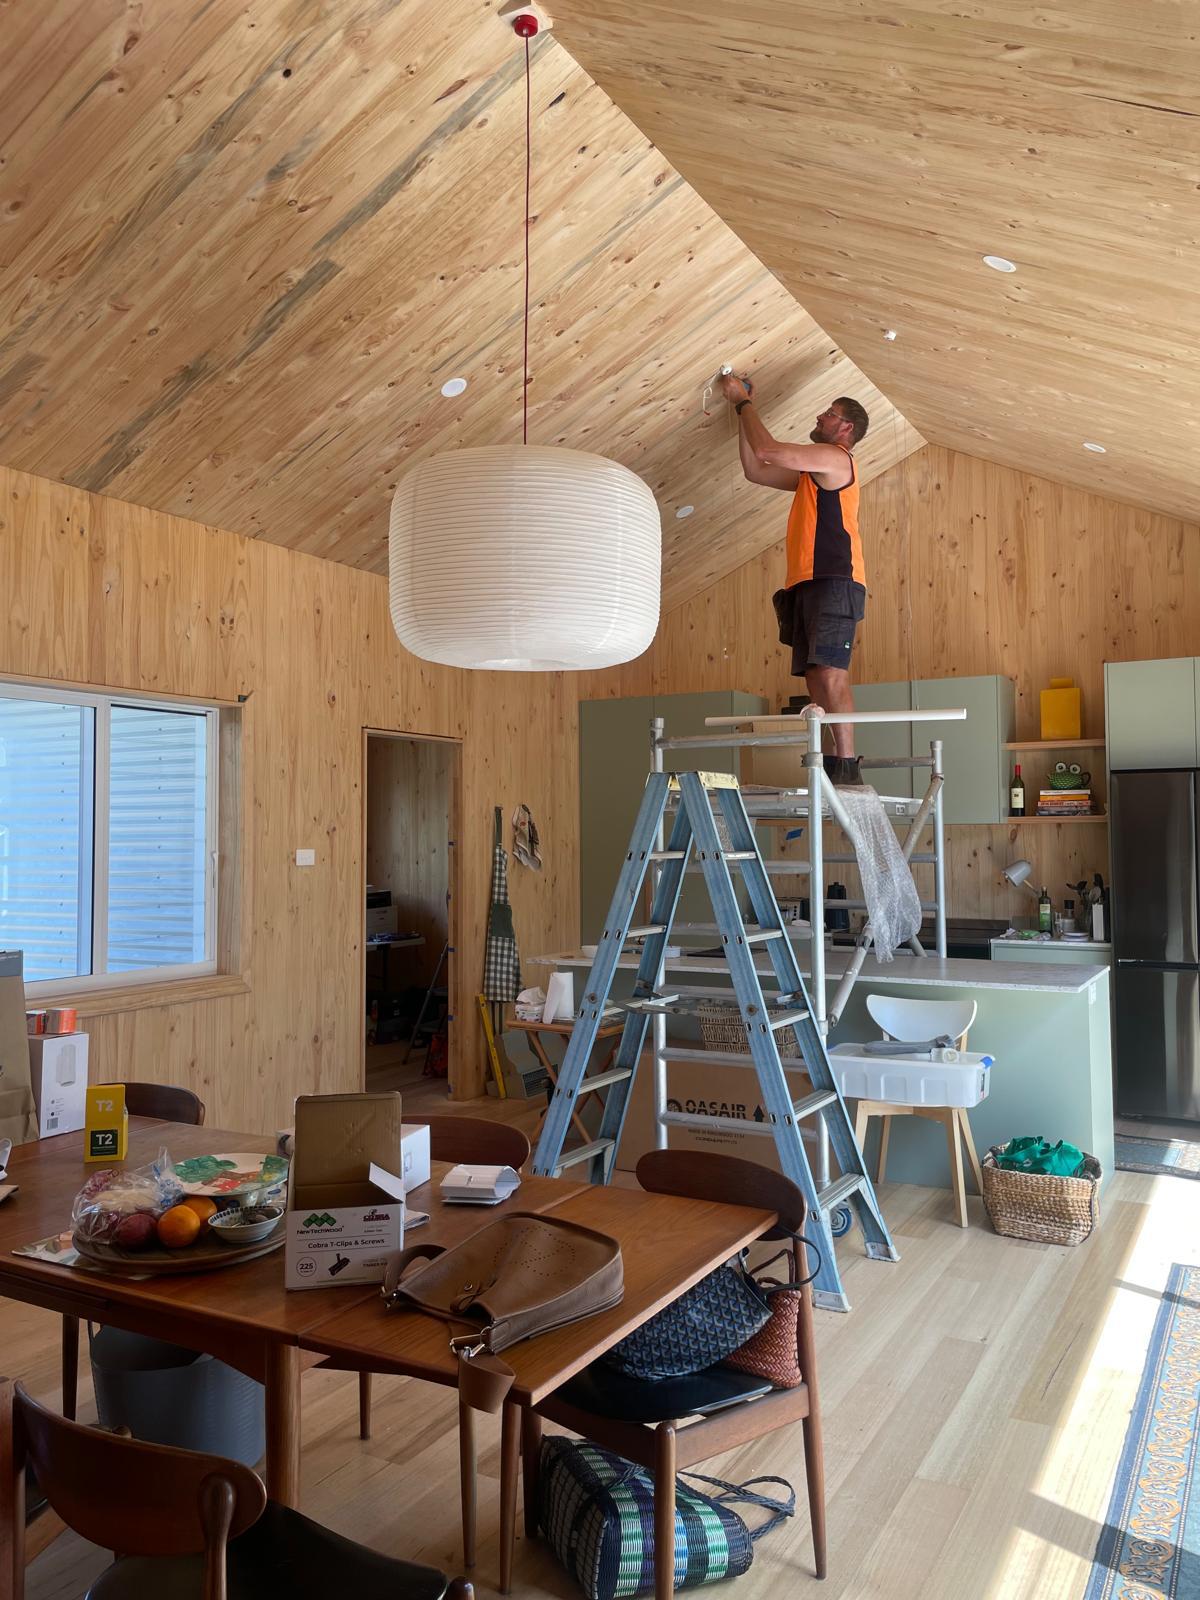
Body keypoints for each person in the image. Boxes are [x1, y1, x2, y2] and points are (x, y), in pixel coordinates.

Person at [719, 373, 869, 785]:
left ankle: (847, 766)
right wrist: (740, 411)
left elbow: (767, 449)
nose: (820, 416)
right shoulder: (809, 477)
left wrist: (744, 402)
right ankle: (833, 762)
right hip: (807, 582)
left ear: (846, 428)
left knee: (831, 672)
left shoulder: (837, 459)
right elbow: (755, 468)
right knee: (815, 673)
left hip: (834, 579)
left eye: (830, 413)